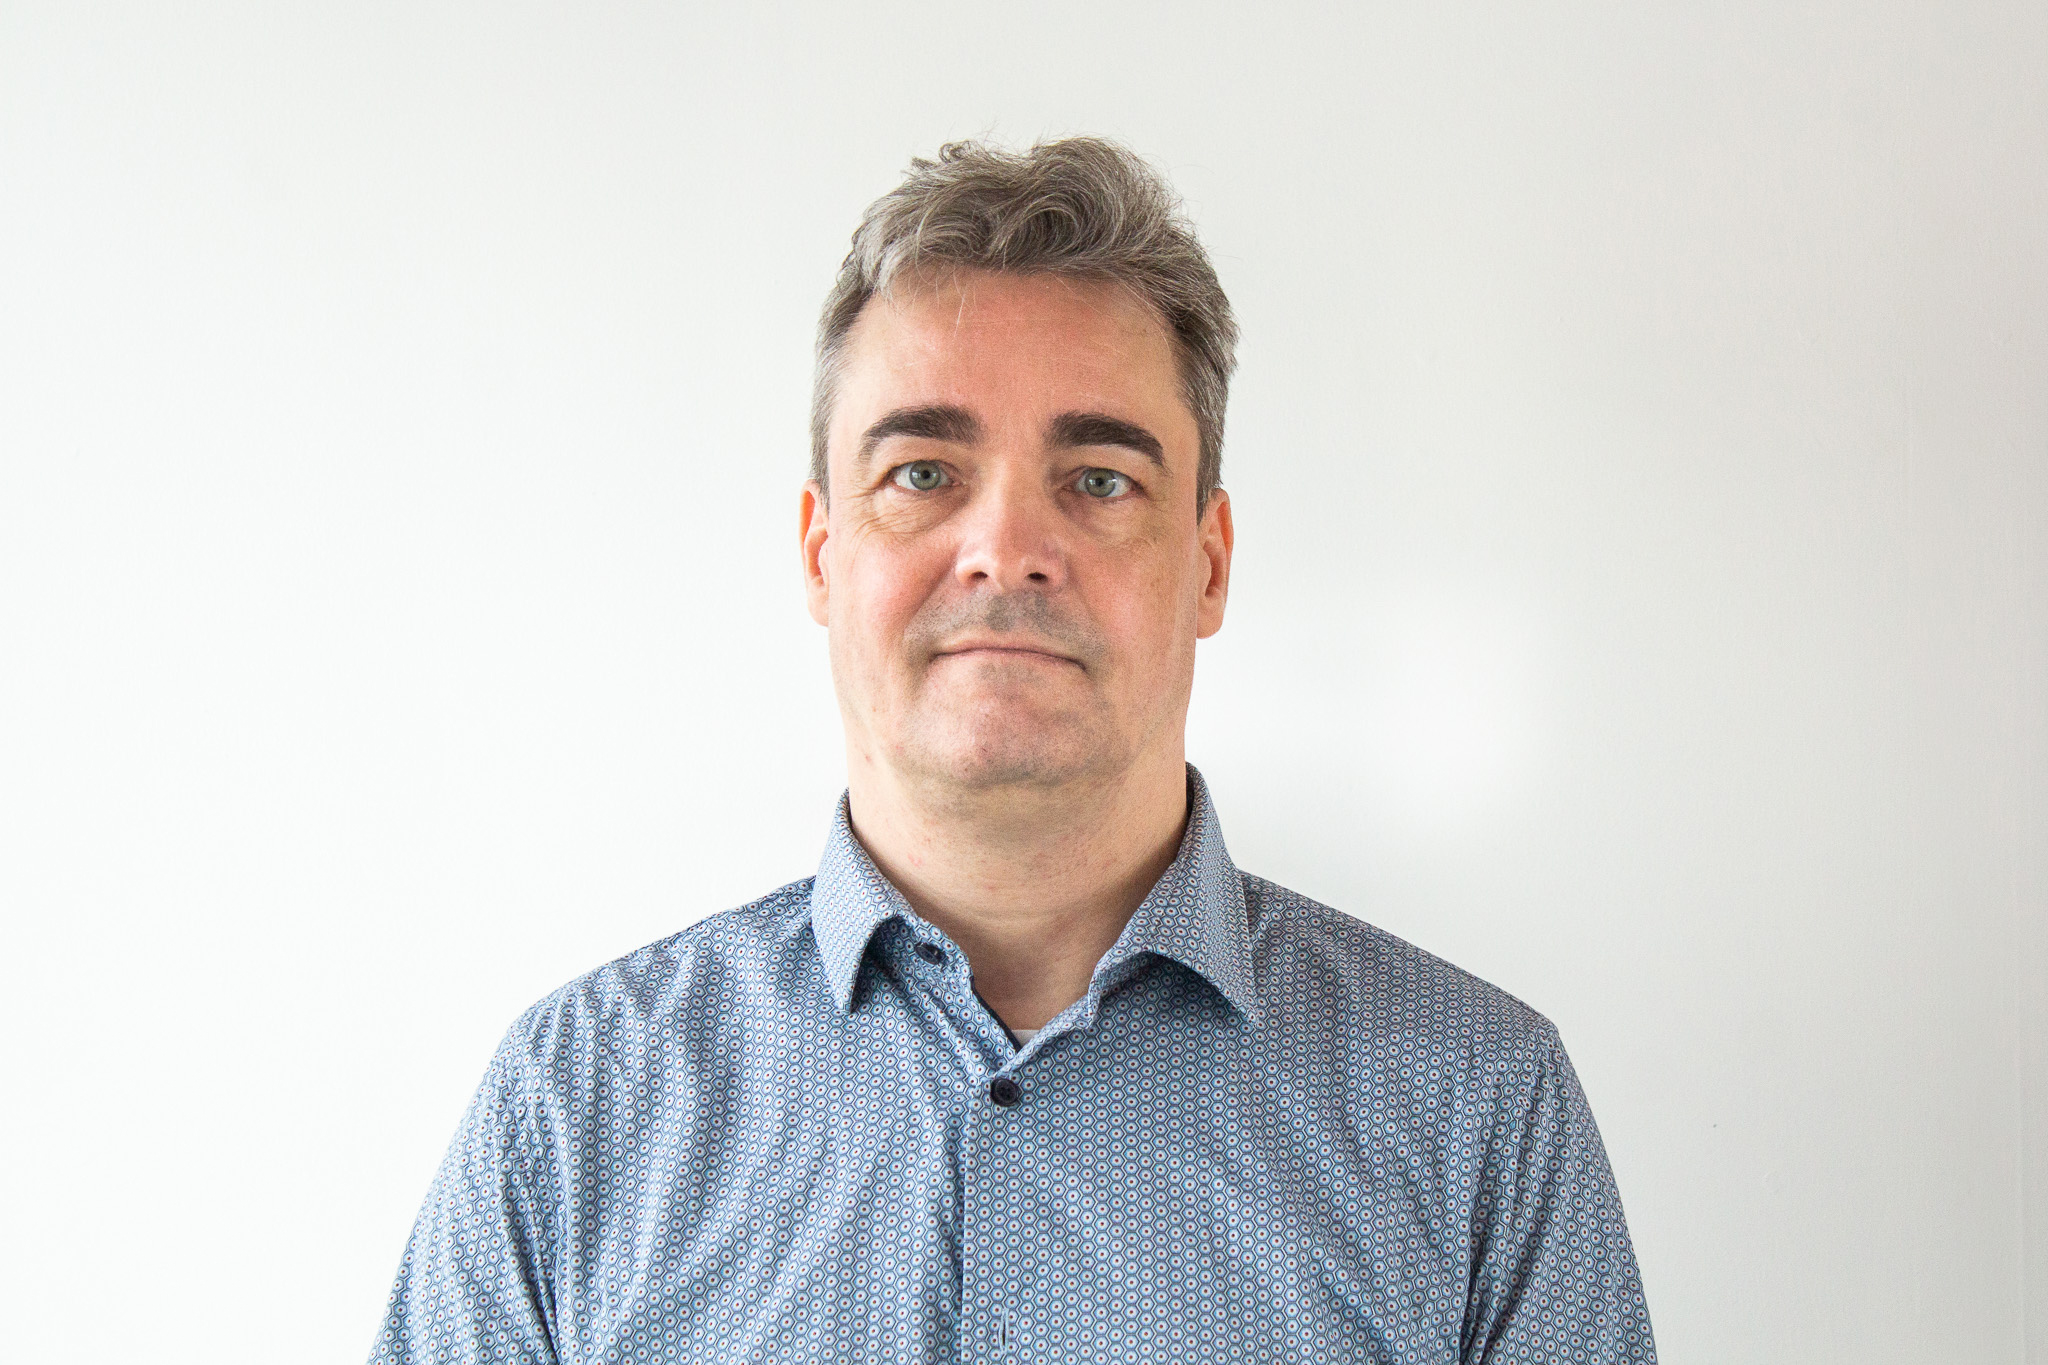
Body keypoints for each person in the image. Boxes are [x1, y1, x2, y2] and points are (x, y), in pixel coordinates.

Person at [369, 138, 1657, 1364]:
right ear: (822, 553)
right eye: (924, 474)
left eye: (1099, 480)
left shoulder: (1477, 1110)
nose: (1005, 549)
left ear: (1208, 565)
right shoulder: (580, 1106)